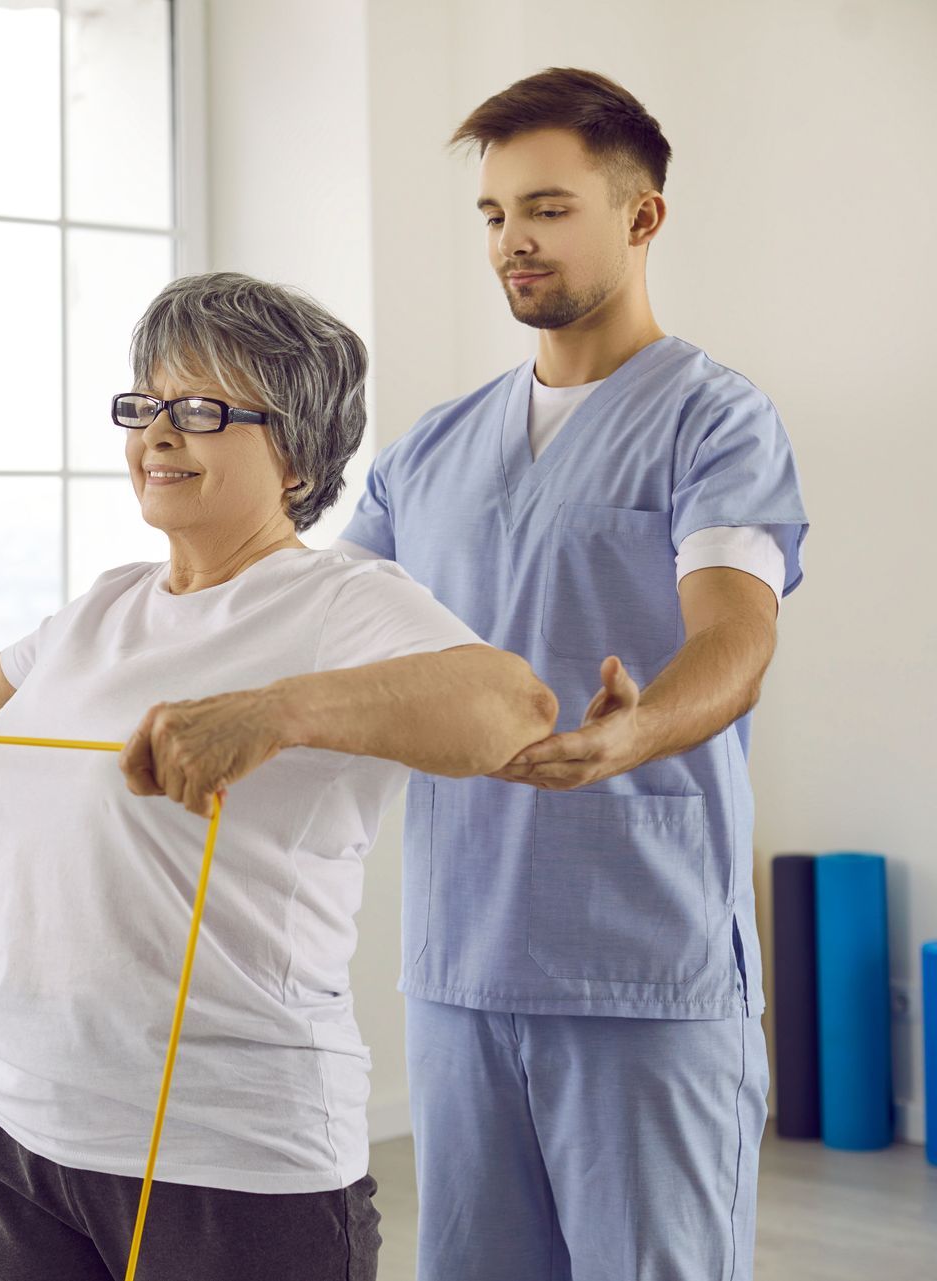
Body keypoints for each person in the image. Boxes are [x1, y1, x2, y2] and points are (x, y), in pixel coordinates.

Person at [0, 271, 555, 1280]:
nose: (158, 432)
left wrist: (274, 713)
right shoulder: (107, 606)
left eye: (200, 410)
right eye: (144, 404)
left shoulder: (338, 601)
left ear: (298, 453)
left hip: (233, 1160)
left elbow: (512, 708)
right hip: (26, 1130)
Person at [333, 68, 809, 1281]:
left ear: (642, 218)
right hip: (459, 969)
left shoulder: (716, 424)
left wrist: (632, 733)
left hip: (640, 971)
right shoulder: (427, 453)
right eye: (493, 215)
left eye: (546, 208)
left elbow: (736, 637)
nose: (513, 242)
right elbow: (314, 635)